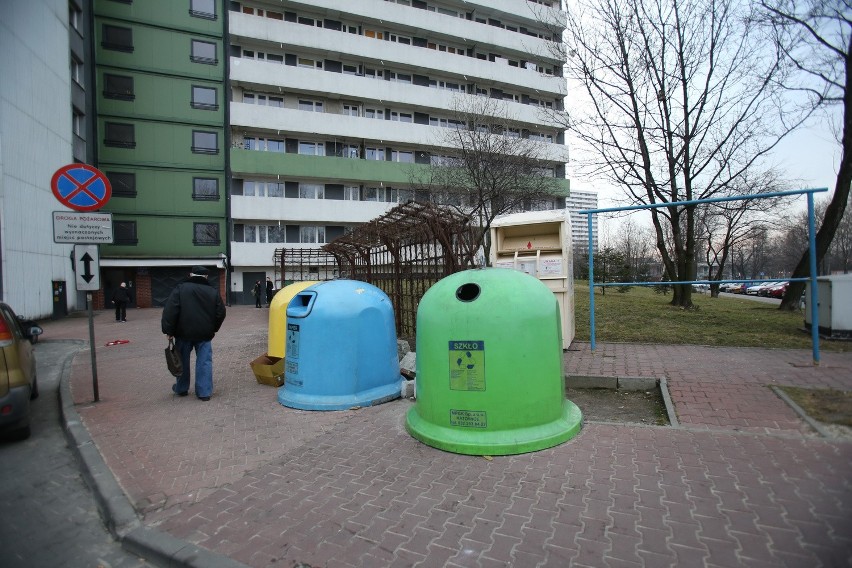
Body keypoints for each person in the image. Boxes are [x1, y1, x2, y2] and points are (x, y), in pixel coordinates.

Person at [161, 266, 227, 401]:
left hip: (183, 333)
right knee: (204, 362)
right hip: (204, 334)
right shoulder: (212, 291)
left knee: (182, 361)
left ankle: (181, 388)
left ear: (191, 274)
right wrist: (213, 328)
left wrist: (169, 330)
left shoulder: (180, 289)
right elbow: (221, 313)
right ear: (206, 277)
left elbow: (170, 310)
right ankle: (204, 392)